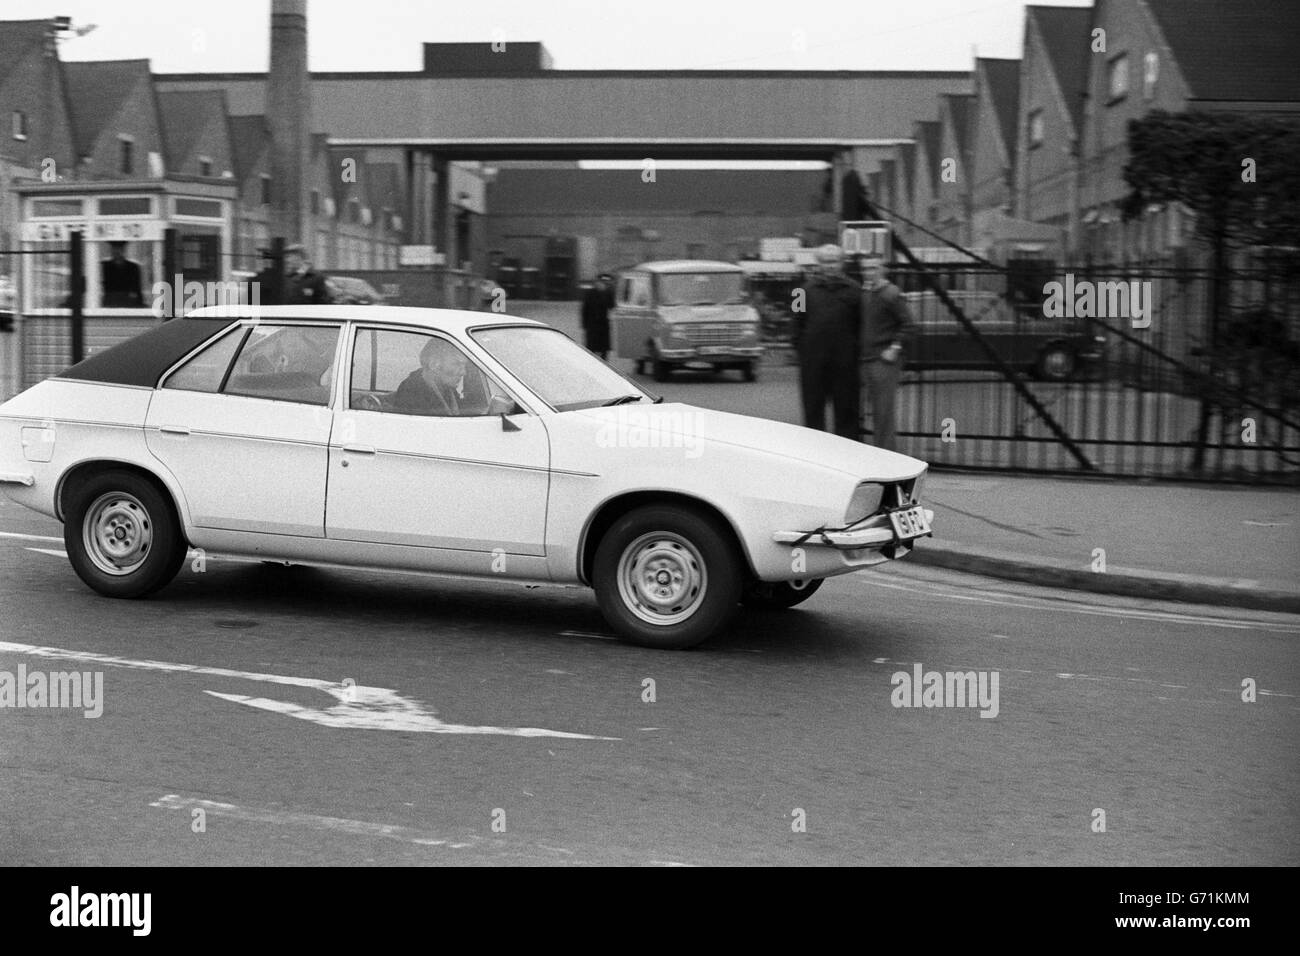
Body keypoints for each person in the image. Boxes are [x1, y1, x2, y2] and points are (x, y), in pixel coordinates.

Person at [794, 244, 862, 440]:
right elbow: (795, 324)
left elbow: (862, 324)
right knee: (813, 408)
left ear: (842, 263)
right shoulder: (800, 292)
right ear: (818, 264)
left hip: (846, 363)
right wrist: (804, 352)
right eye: (825, 262)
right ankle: (816, 451)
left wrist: (854, 352)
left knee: (847, 409)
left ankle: (849, 452)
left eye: (834, 262)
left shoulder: (856, 290)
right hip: (813, 362)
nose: (830, 266)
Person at [858, 254, 915, 452]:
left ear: (883, 269)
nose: (868, 272)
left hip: (883, 361)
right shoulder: (864, 293)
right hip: (864, 359)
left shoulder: (891, 293)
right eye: (865, 268)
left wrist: (894, 348)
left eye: (873, 268)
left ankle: (886, 455)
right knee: (865, 411)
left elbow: (908, 325)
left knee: (883, 412)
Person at [393, 338, 467, 416]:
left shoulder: (448, 390)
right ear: (433, 364)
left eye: (464, 366)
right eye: (456, 364)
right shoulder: (411, 391)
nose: (463, 372)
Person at [581, 273, 615, 360]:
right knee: (591, 347)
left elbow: (612, 306)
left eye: (605, 283)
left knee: (604, 348)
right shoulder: (590, 293)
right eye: (601, 282)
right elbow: (585, 309)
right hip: (592, 325)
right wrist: (585, 325)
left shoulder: (609, 293)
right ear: (597, 282)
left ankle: (604, 363)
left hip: (604, 325)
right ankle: (591, 362)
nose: (603, 285)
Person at [100, 241, 143, 308]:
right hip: (110, 302)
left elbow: (137, 288)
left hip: (128, 302)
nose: (117, 251)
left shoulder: (133, 267)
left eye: (119, 249)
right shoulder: (105, 266)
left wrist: (139, 305)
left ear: (123, 250)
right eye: (114, 249)